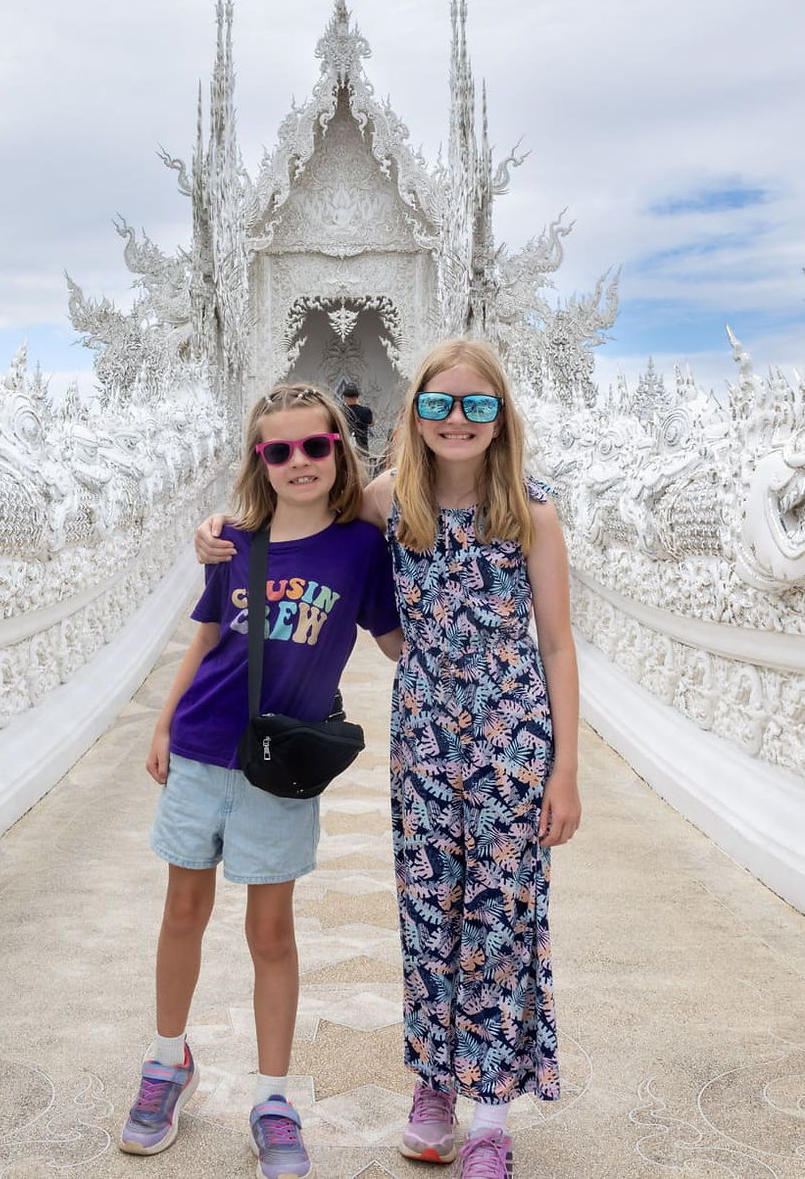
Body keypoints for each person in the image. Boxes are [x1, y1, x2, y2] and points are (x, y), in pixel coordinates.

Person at [196, 339, 581, 1178]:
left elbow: (556, 644)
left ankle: (489, 1118)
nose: (456, 420)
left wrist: (565, 771)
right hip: (425, 735)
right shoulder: (386, 500)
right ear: (415, 413)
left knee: (500, 919)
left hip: (513, 738)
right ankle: (433, 1090)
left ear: (501, 417)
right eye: (439, 403)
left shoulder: (533, 511)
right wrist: (222, 530)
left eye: (477, 405)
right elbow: (299, 523)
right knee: (429, 910)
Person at [121, 382, 403, 1176]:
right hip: (202, 746)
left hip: (279, 768)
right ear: (260, 459)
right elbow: (207, 638)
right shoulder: (234, 541)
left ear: (338, 448)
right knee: (183, 910)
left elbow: (395, 643)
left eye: (315, 445)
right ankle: (168, 1060)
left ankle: (273, 1098)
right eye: (280, 450)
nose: (299, 461)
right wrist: (163, 723)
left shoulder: (359, 548)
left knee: (271, 933)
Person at [341, 382, 373, 455]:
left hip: (345, 448)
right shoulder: (366, 411)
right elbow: (371, 424)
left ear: (345, 397)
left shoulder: (340, 411)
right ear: (357, 396)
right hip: (362, 448)